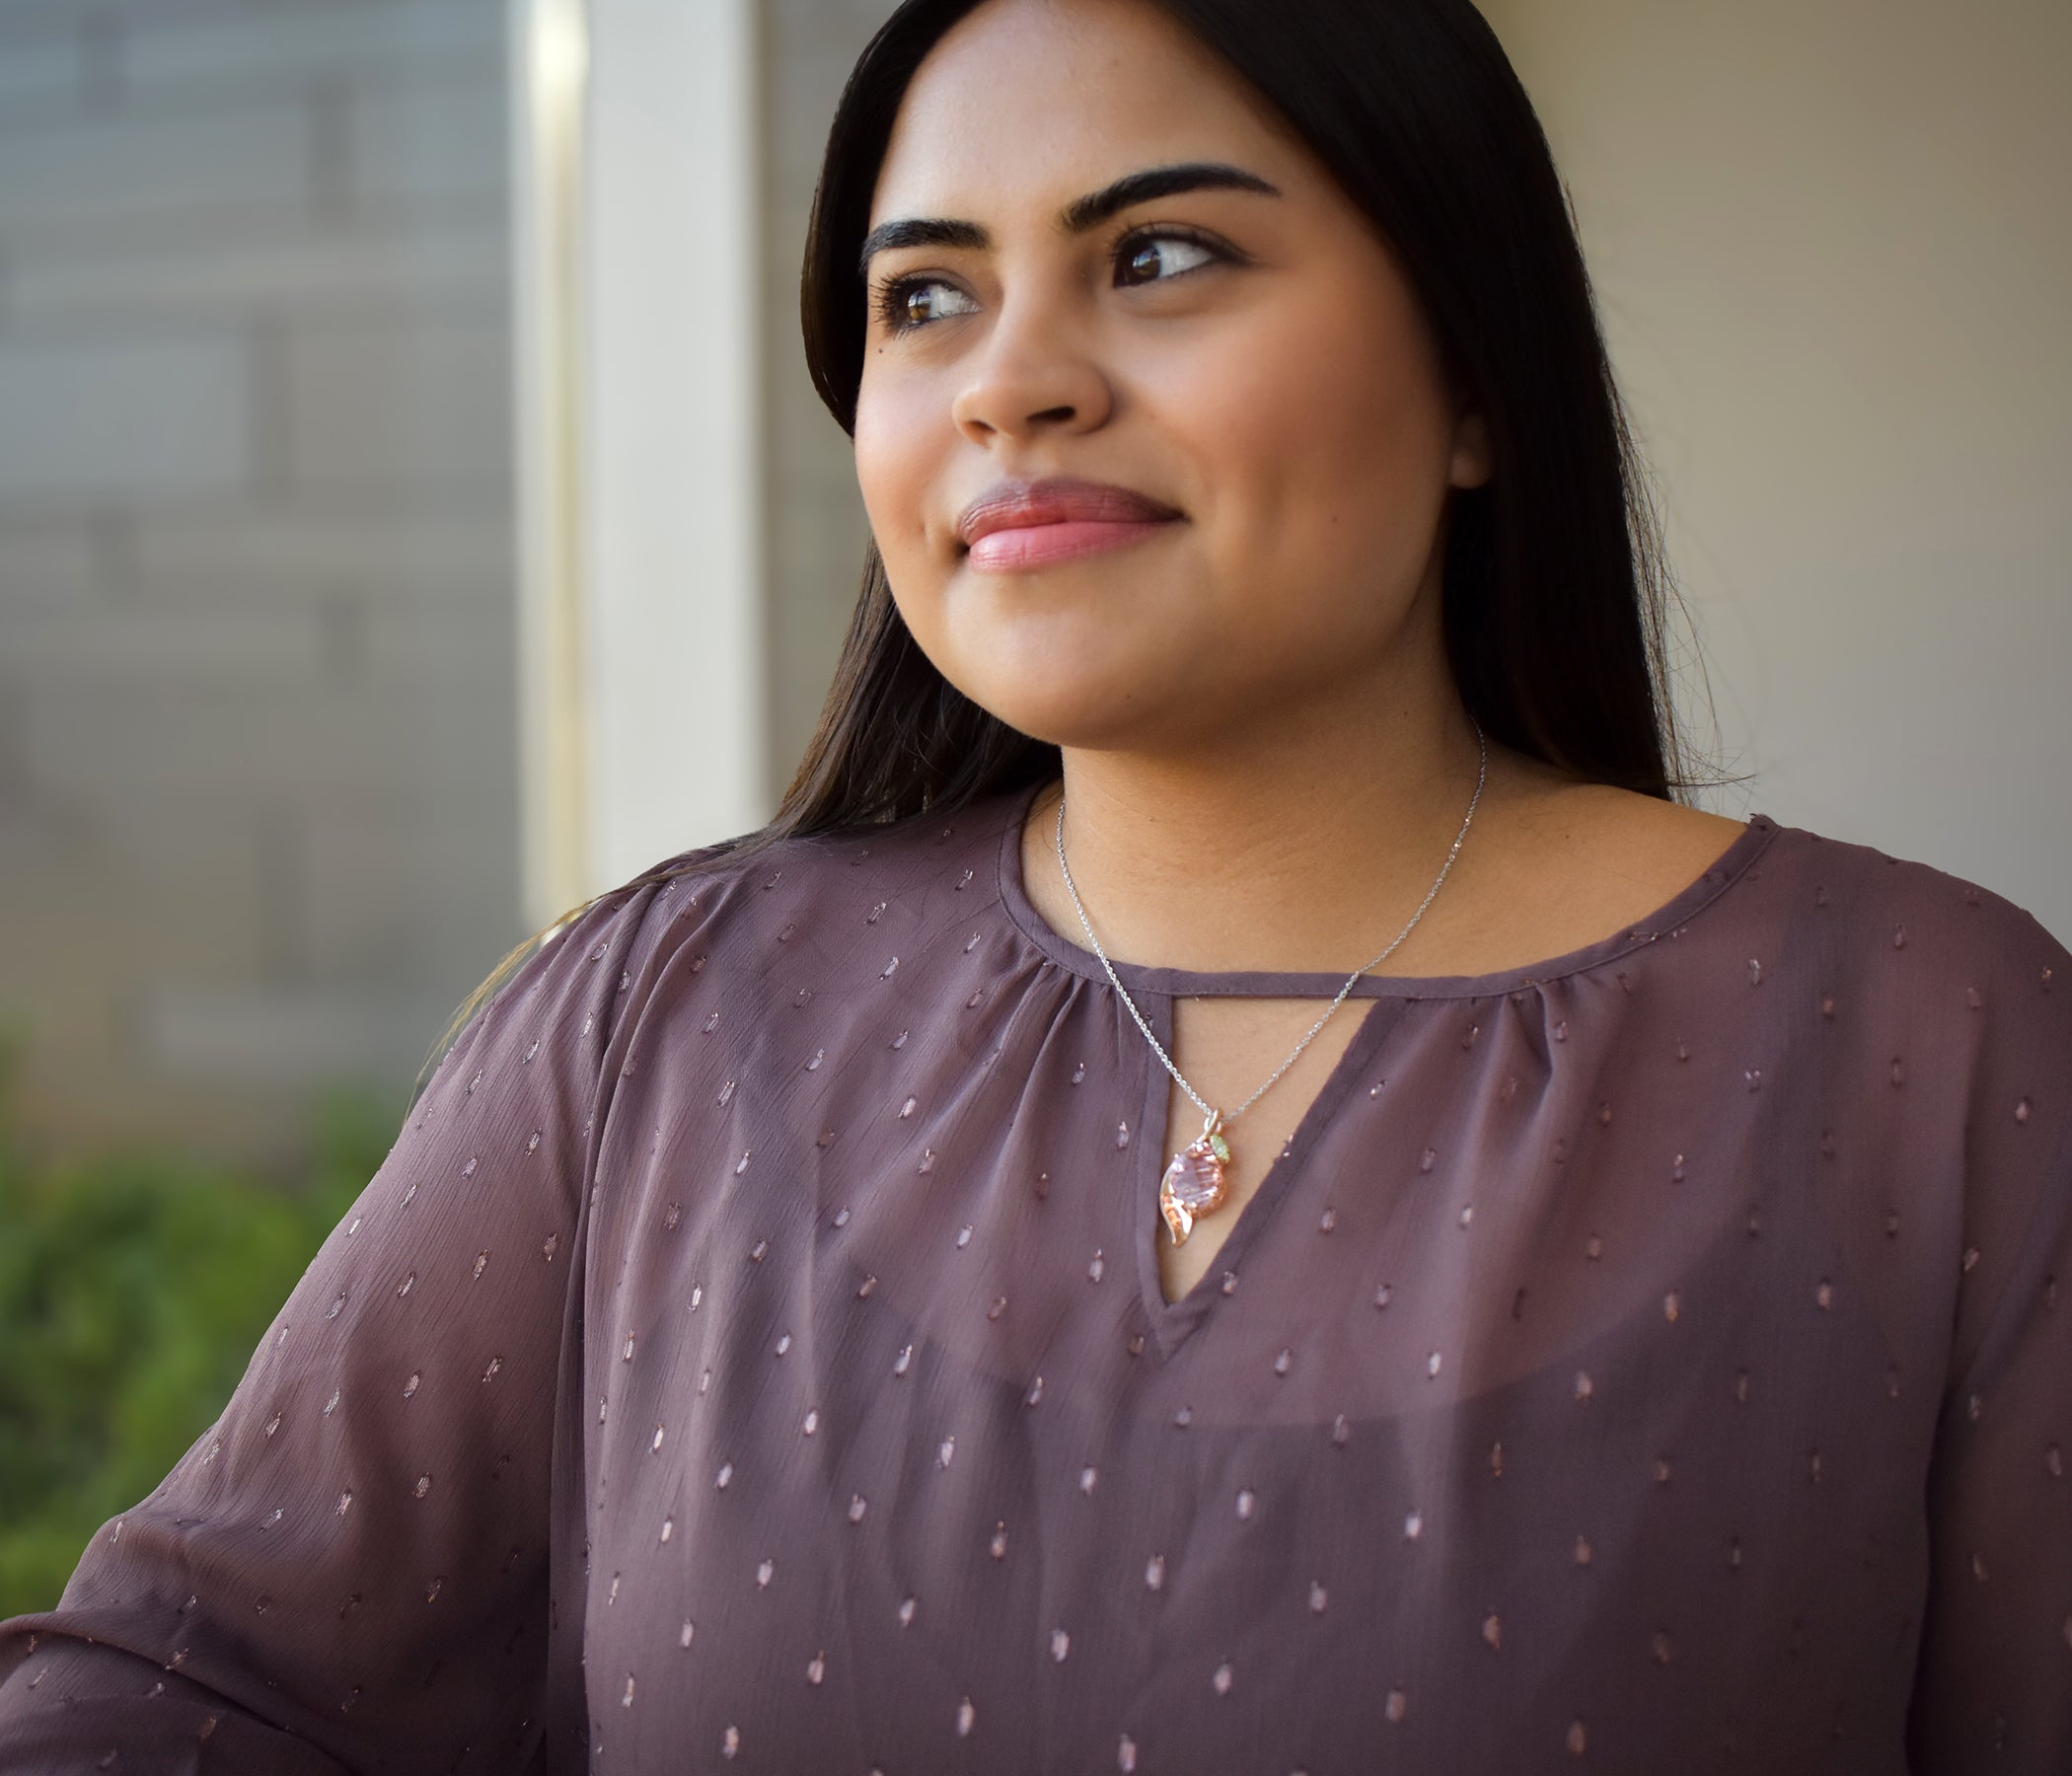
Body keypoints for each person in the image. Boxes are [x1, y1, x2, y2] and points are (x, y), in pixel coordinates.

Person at [3, 0, 2066, 1768]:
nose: (1012, 380)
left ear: (1474, 380)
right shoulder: (655, 1020)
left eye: (1159, 255)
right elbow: (187, 1689)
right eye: (926, 297)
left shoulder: (1932, 1049)